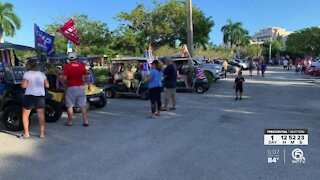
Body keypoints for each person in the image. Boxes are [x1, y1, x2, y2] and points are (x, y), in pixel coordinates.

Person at [21, 59, 49, 138]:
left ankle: (26, 133)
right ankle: (42, 133)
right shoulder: (42, 74)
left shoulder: (27, 74)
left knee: (25, 115)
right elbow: (47, 85)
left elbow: (24, 86)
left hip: (29, 96)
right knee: (41, 115)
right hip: (40, 96)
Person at [63, 53, 92, 126]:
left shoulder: (67, 66)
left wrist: (64, 84)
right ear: (76, 58)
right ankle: (85, 120)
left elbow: (64, 78)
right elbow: (86, 76)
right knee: (83, 105)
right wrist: (89, 85)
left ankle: (70, 122)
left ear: (69, 59)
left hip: (71, 87)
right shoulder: (81, 66)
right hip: (81, 87)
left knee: (70, 105)